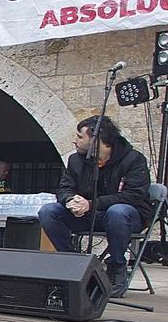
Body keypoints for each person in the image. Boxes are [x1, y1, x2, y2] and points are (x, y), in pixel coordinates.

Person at [40, 115, 153, 299]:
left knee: (118, 211)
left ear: (96, 139)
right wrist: (70, 199)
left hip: (124, 217)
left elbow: (133, 195)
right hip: (87, 215)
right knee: (49, 211)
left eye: (79, 136)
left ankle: (116, 268)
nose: (74, 140)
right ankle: (73, 263)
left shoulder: (133, 159)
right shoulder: (76, 160)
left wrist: (91, 204)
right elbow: (64, 187)